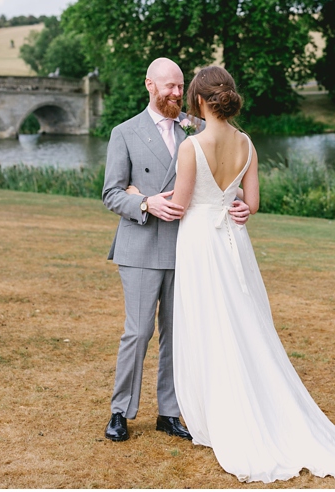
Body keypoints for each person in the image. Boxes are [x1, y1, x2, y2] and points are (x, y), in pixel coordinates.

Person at [169, 66, 335, 483]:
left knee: (209, 323)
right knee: (243, 322)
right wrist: (234, 200)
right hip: (234, 242)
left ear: (200, 100)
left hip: (202, 242)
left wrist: (146, 198)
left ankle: (222, 418)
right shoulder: (247, 143)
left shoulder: (191, 146)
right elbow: (252, 202)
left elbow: (182, 204)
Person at [102, 57, 250, 443]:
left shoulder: (200, 129)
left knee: (177, 334)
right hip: (140, 246)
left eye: (181, 86)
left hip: (186, 247)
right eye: (168, 86)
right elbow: (111, 193)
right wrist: (145, 203)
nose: (176, 93)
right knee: (138, 332)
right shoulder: (125, 133)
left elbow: (218, 182)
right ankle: (121, 411)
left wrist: (240, 201)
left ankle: (168, 412)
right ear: (149, 84)